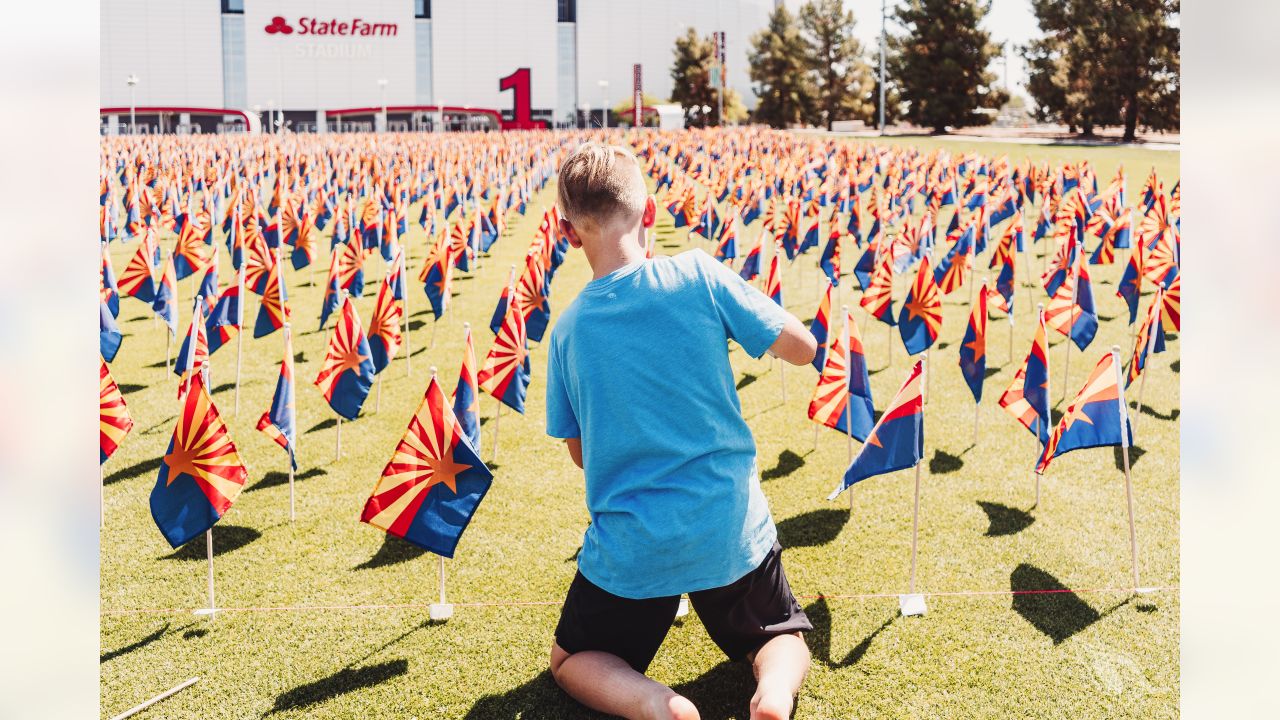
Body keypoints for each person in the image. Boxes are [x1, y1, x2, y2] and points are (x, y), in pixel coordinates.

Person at [545, 142, 817, 720]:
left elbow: (579, 454)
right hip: (729, 526)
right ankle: (772, 694)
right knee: (781, 636)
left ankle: (655, 706)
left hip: (634, 545)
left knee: (571, 660)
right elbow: (803, 347)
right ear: (650, 213)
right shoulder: (697, 273)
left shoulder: (567, 331)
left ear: (567, 233)